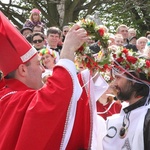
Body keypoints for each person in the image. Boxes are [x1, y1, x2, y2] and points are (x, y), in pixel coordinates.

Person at [0, 11, 108, 150]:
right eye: (38, 64)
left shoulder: (11, 96)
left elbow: (58, 101)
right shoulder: (12, 100)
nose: (43, 69)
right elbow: (54, 98)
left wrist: (89, 74)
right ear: (22, 70)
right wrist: (67, 50)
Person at [102, 47, 150, 150]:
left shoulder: (147, 117)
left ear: (133, 80)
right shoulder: (125, 112)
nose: (114, 84)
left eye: (118, 78)